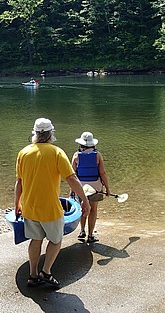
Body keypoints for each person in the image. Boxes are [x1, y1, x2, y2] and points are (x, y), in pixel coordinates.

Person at [15, 118, 90, 288]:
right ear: (51, 134)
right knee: (56, 241)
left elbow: (19, 182)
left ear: (34, 133)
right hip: (50, 209)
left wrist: (17, 204)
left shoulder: (23, 153)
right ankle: (46, 272)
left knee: (35, 240)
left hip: (30, 207)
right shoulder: (56, 152)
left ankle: (33, 275)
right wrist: (85, 200)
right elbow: (71, 178)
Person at [71, 131, 111, 243]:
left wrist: (72, 190)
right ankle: (90, 235)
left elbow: (72, 175)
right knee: (93, 209)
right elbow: (102, 173)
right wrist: (107, 188)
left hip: (81, 187)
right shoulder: (98, 155)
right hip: (96, 187)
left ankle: (82, 231)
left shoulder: (76, 155)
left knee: (83, 208)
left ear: (81, 144)